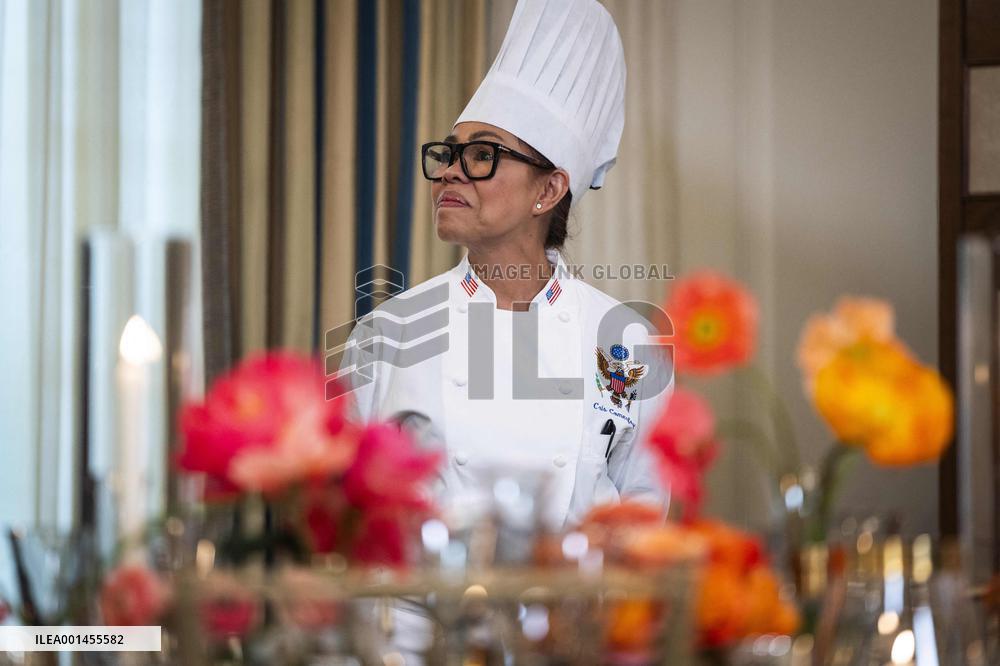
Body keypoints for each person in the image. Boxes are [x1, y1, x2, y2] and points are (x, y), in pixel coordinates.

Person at [338, 0, 672, 535]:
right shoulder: (387, 334)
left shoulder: (627, 343)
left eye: (482, 154)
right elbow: (347, 516)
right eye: (448, 154)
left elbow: (642, 527)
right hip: (423, 618)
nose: (449, 172)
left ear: (549, 189)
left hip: (575, 616)